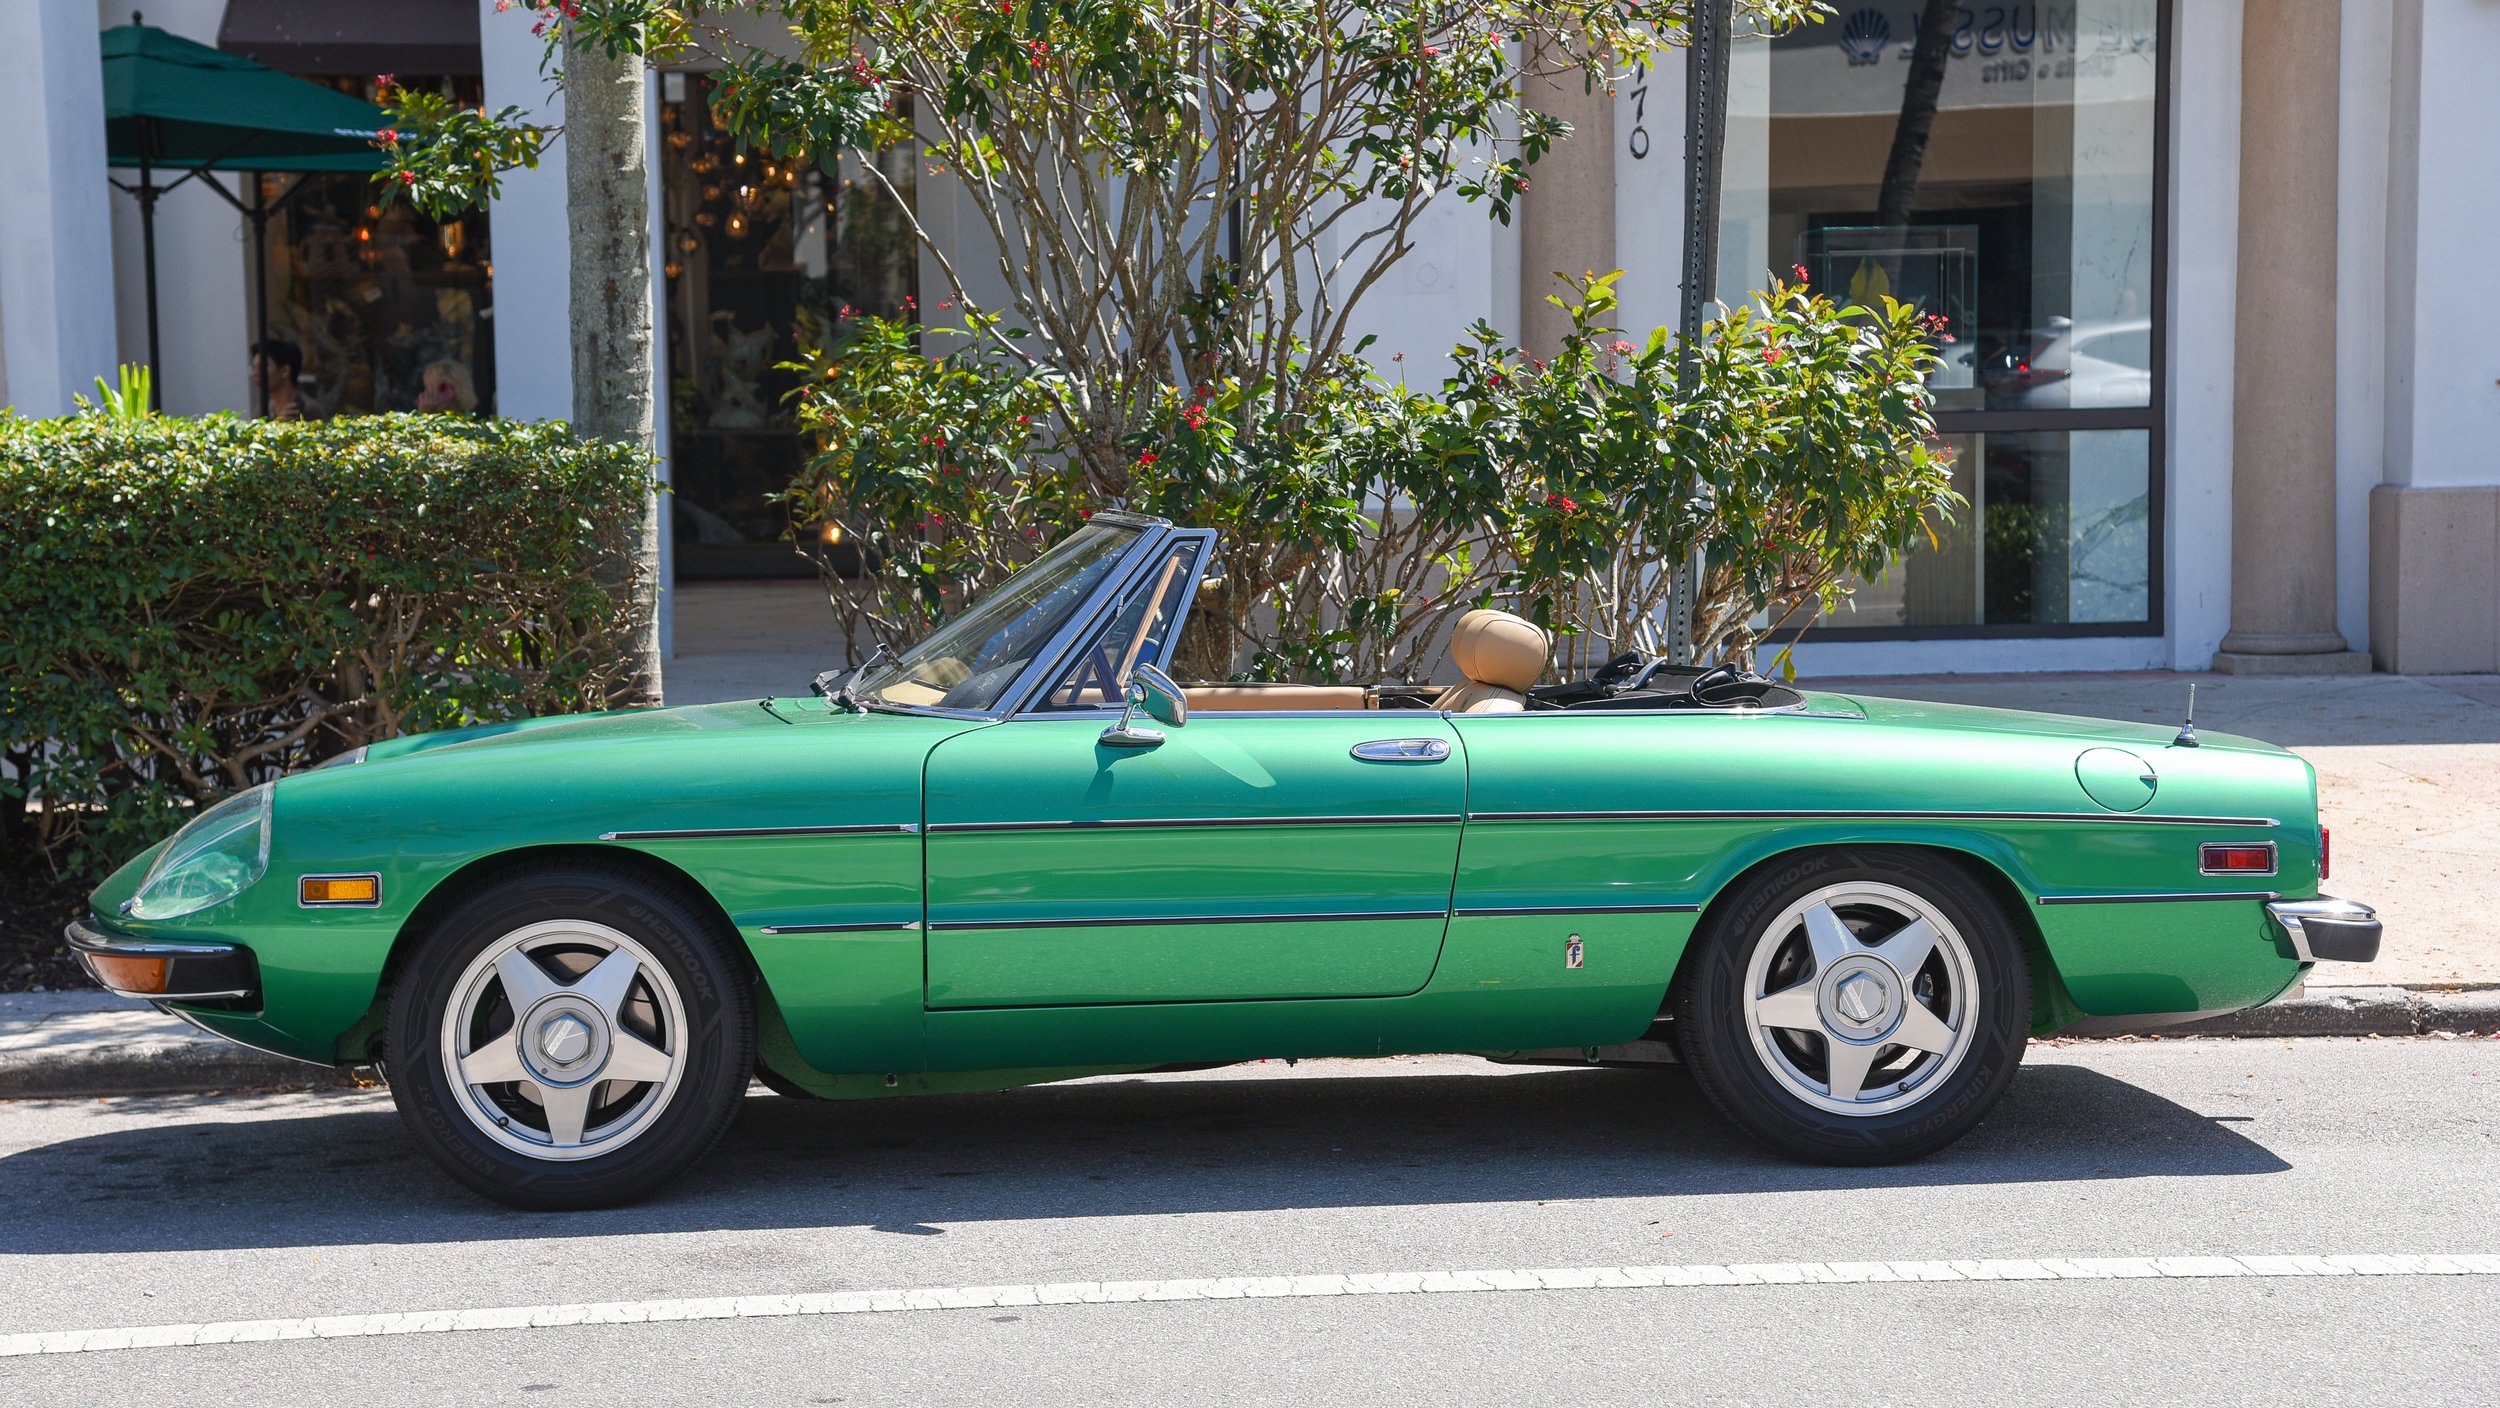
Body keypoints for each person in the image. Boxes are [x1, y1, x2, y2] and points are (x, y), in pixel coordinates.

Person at [252, 339, 305, 421]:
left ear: (284, 371)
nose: (255, 373)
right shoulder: (260, 410)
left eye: (263, 366)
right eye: (254, 367)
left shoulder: (307, 409)